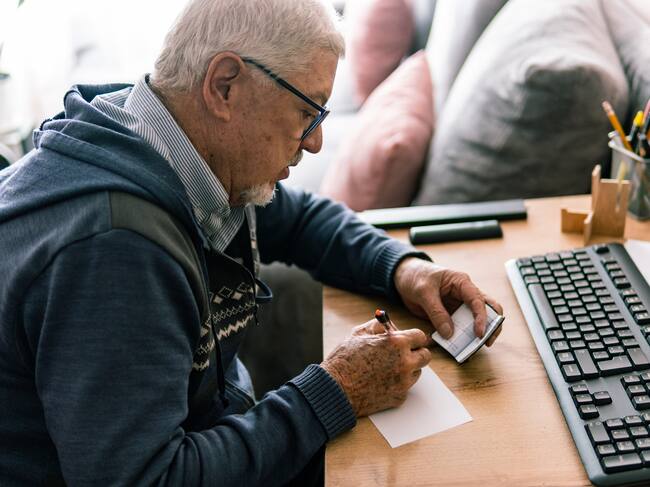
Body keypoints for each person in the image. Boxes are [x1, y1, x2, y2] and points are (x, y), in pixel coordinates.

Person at [0, 0, 503, 485]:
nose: (315, 142)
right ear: (224, 85)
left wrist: (404, 269)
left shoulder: (182, 148)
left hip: (218, 427)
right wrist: (336, 390)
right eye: (308, 111)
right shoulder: (115, 251)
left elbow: (302, 218)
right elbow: (149, 478)